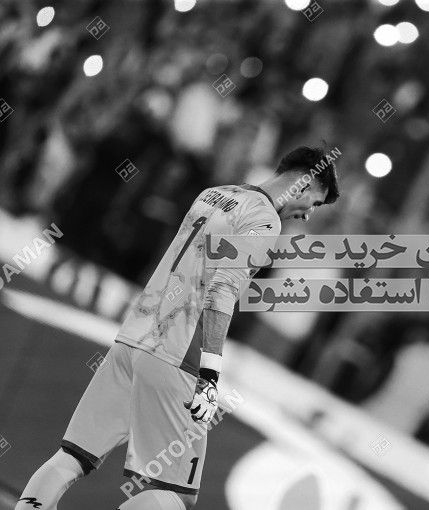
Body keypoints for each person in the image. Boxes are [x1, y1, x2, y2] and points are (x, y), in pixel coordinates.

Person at [15, 146, 340, 510]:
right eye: (315, 202)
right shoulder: (265, 219)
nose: (309, 214)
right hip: (178, 356)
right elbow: (222, 291)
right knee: (177, 494)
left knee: (72, 456)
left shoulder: (214, 194)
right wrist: (210, 375)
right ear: (303, 182)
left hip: (133, 337)